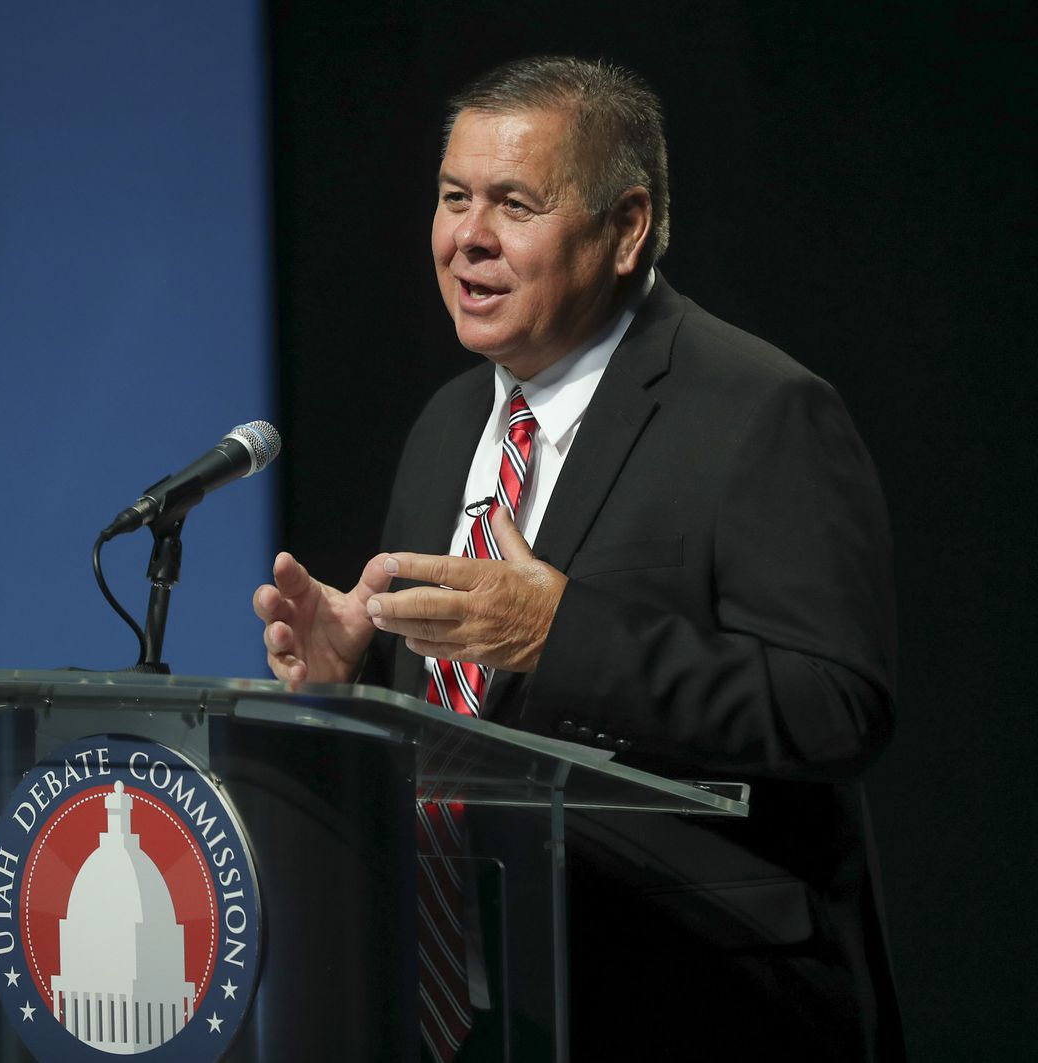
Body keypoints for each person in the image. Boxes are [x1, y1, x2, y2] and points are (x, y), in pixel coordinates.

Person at [254, 56, 903, 1061]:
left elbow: (838, 706)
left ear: (626, 227)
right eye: (453, 197)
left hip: (698, 1007)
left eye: (514, 203)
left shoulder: (758, 411)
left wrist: (563, 636)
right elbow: (475, 729)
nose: (468, 235)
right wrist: (356, 681)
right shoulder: (448, 423)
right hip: (476, 1002)